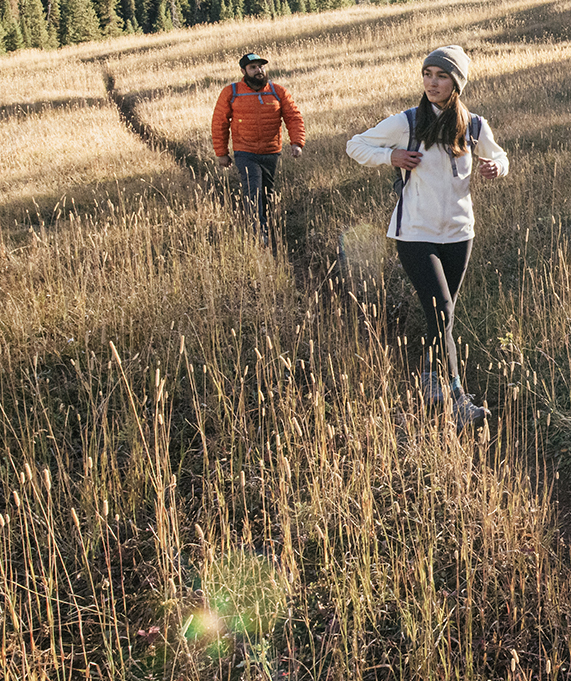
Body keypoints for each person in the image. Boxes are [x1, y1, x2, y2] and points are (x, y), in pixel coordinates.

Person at [345, 45, 509, 424]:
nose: (432, 82)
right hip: (415, 233)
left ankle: (431, 377)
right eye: (427, 74)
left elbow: (500, 157)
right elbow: (356, 144)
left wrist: (495, 169)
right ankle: (458, 400)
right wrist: (392, 157)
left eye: (441, 75)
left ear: (457, 83)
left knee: (442, 319)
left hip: (458, 232)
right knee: (443, 310)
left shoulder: (475, 126)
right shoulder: (407, 122)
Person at [211, 51, 305, 239]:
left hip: (271, 152)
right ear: (243, 71)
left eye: (260, 66)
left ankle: (266, 225)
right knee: (252, 191)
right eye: (253, 67)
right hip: (245, 152)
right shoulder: (232, 92)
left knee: (266, 193)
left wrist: (296, 142)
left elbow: (293, 117)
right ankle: (258, 232)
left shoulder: (277, 91)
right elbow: (219, 122)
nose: (258, 70)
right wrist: (222, 153)